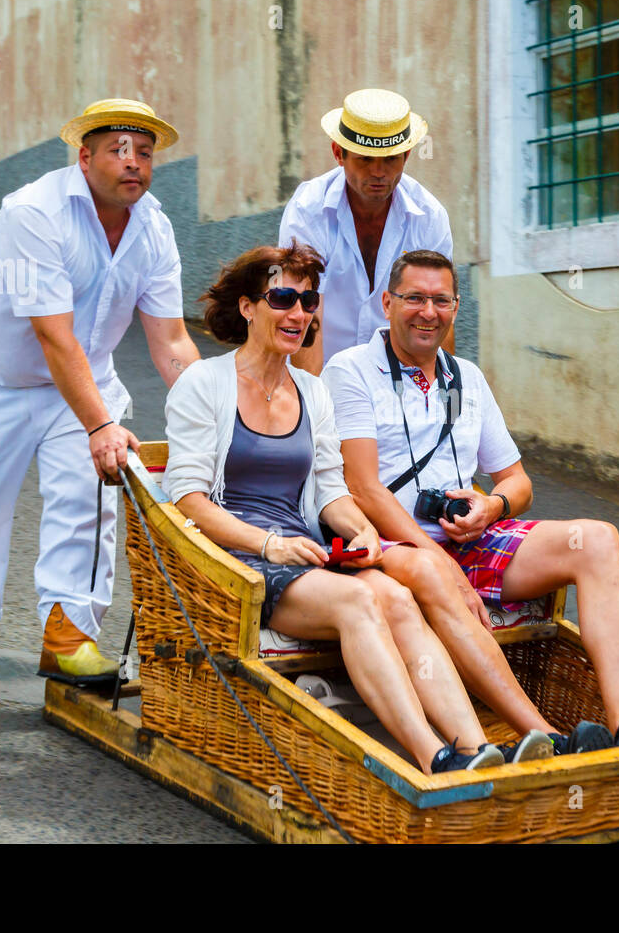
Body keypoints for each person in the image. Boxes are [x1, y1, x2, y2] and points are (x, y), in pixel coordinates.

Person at [161, 243, 551, 774]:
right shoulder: (203, 385)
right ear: (249, 307)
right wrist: (268, 544)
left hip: (301, 549)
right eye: (282, 298)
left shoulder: (311, 391)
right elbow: (188, 501)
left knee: (394, 595)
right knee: (360, 602)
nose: (299, 314)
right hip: (234, 561)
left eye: (308, 301)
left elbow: (330, 492)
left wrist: (364, 532)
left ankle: (473, 746)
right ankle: (432, 756)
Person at [322, 250, 619, 752]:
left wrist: (492, 507)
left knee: (598, 539)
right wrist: (439, 558)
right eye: (414, 298)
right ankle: (547, 735)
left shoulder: (465, 380)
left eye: (441, 300)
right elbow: (363, 487)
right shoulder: (350, 370)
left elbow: (517, 480)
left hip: (469, 541)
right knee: (435, 571)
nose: (427, 311)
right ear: (387, 302)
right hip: (391, 544)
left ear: (456, 308)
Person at [0, 99, 201, 685]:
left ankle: (68, 637)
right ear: (84, 158)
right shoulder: (34, 212)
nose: (133, 163)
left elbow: (171, 341)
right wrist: (102, 423)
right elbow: (52, 336)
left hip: (82, 382)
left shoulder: (155, 227)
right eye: (117, 150)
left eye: (144, 153)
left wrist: (220, 414)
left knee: (90, 497)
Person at [277, 88, 452, 374]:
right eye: (366, 159)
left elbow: (438, 319)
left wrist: (439, 403)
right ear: (338, 153)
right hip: (319, 373)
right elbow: (302, 311)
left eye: (391, 158)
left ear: (407, 155)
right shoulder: (308, 210)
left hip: (397, 380)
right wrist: (315, 406)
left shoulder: (429, 217)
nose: (379, 172)